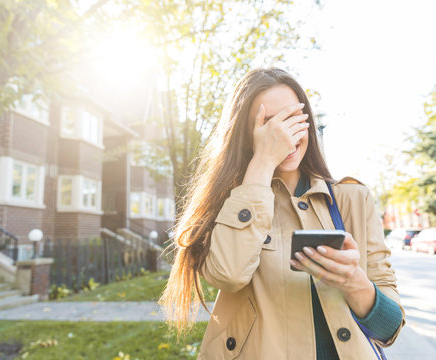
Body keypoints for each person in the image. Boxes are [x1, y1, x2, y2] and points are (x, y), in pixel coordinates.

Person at [159, 67, 405, 359]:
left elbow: (389, 328)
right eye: (268, 124)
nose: (283, 134)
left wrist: (355, 282)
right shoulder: (231, 203)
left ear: (307, 124)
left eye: (291, 120)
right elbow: (228, 275)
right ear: (246, 134)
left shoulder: (353, 199)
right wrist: (263, 161)